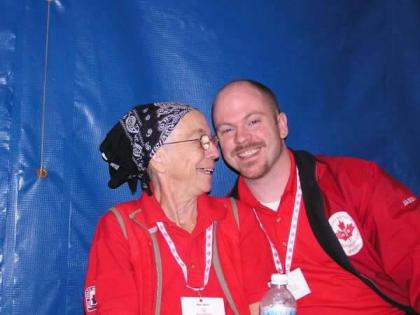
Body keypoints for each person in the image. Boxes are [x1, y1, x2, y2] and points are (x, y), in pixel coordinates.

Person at [211, 79, 420, 315]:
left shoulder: (354, 182)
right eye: (227, 129)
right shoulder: (223, 226)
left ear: (281, 125)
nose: (241, 138)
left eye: (253, 121)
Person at [84, 102, 272, 315]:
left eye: (211, 140)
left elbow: (261, 306)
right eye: (201, 140)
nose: (215, 152)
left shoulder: (237, 218)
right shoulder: (120, 228)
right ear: (159, 158)